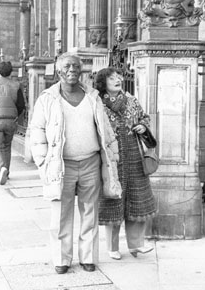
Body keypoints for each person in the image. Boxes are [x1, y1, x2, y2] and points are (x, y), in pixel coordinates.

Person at [29, 53, 121, 275]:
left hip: (91, 161)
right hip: (62, 165)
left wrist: (113, 155)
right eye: (67, 66)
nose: (72, 70)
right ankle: (62, 258)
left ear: (81, 71)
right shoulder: (47, 99)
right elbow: (37, 131)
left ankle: (88, 257)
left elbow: (105, 129)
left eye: (76, 66)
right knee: (60, 212)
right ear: (59, 72)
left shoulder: (93, 96)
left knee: (90, 212)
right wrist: (43, 162)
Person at [94, 67, 157, 260]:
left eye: (118, 77)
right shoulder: (98, 104)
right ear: (103, 83)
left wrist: (142, 126)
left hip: (134, 155)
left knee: (137, 199)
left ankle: (136, 245)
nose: (117, 80)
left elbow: (144, 117)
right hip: (112, 158)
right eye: (111, 78)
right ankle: (112, 247)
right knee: (114, 199)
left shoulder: (131, 101)